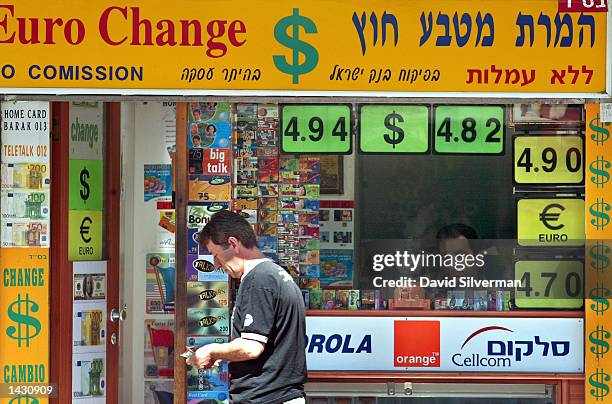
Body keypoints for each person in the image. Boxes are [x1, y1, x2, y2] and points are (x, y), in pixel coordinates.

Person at [187, 210, 307, 403]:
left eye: (216, 255)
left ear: (233, 244)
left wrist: (211, 350)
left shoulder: (257, 279)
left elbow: (251, 347)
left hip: (266, 397)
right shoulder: (276, 274)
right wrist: (223, 353)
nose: (217, 265)